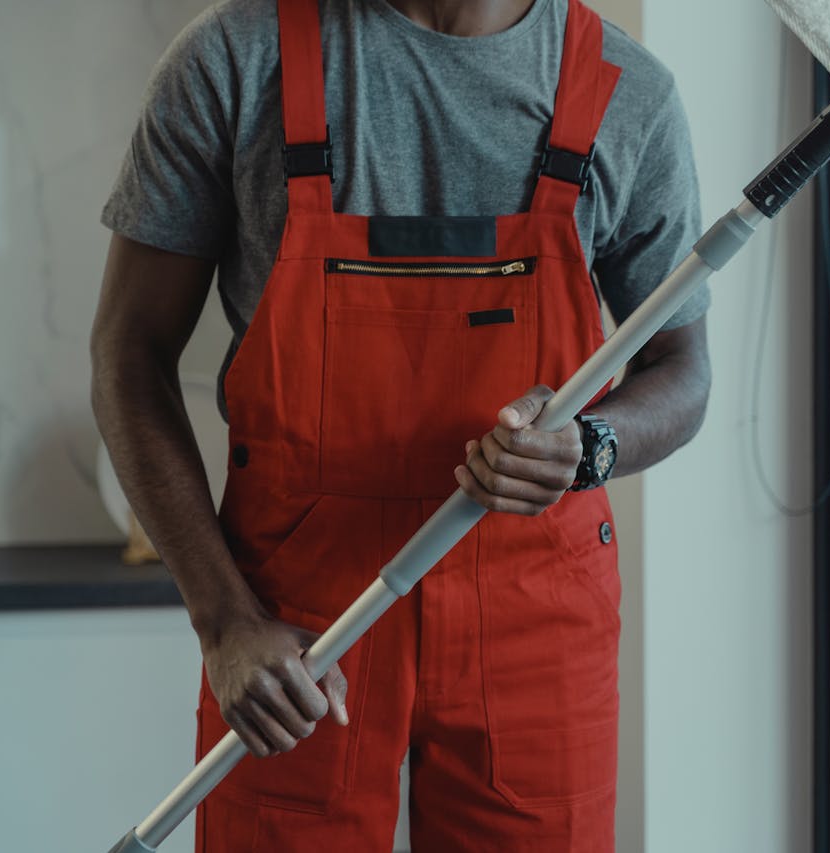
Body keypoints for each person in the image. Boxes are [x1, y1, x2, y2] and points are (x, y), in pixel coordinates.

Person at [91, 0, 711, 849]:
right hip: (296, 619)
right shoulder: (235, 63)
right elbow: (128, 355)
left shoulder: (623, 92)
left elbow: (682, 372)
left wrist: (588, 448)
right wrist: (225, 621)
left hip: (537, 607)